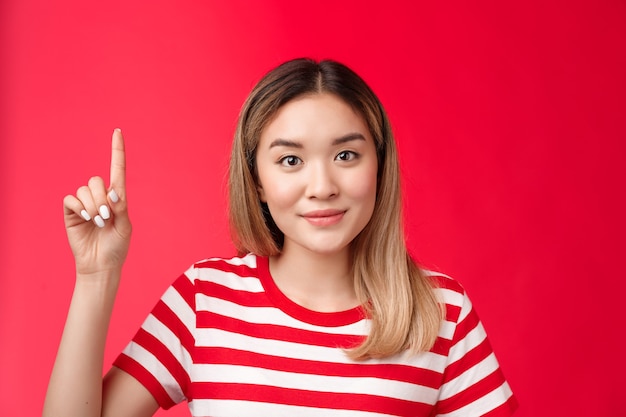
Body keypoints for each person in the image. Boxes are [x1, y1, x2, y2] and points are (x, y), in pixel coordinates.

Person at [43, 58, 518, 417]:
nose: (322, 186)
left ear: (380, 166)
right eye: (291, 160)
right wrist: (96, 276)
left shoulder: (441, 312)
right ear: (258, 183)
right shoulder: (204, 300)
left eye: (347, 155)